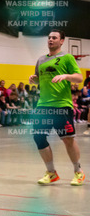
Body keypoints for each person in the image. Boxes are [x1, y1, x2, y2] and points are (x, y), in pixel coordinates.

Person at [29, 30, 84, 186]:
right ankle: (51, 172)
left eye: (54, 37)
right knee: (38, 137)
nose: (50, 40)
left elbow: (79, 78)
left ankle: (78, 171)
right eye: (49, 37)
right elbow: (39, 80)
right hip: (43, 105)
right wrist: (34, 80)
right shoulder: (41, 60)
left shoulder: (67, 57)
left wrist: (66, 76)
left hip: (61, 105)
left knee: (67, 139)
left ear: (62, 41)